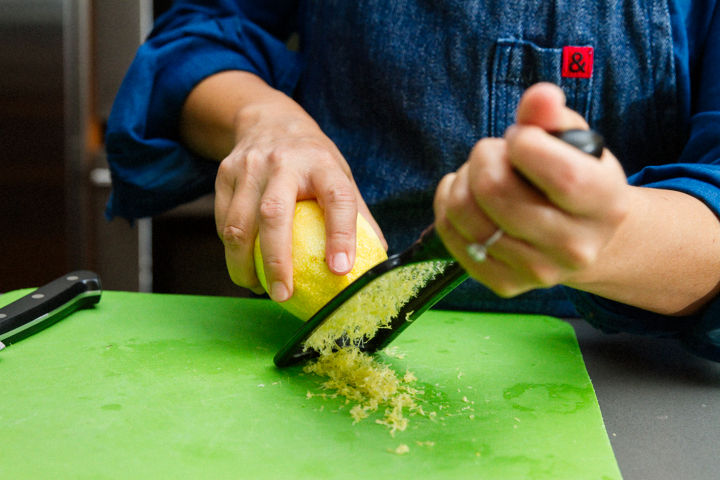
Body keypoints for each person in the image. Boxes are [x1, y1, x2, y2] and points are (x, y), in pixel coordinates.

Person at [104, 0, 720, 361]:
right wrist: (264, 120)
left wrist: (604, 236)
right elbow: (202, 34)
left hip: (629, 379)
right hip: (323, 332)